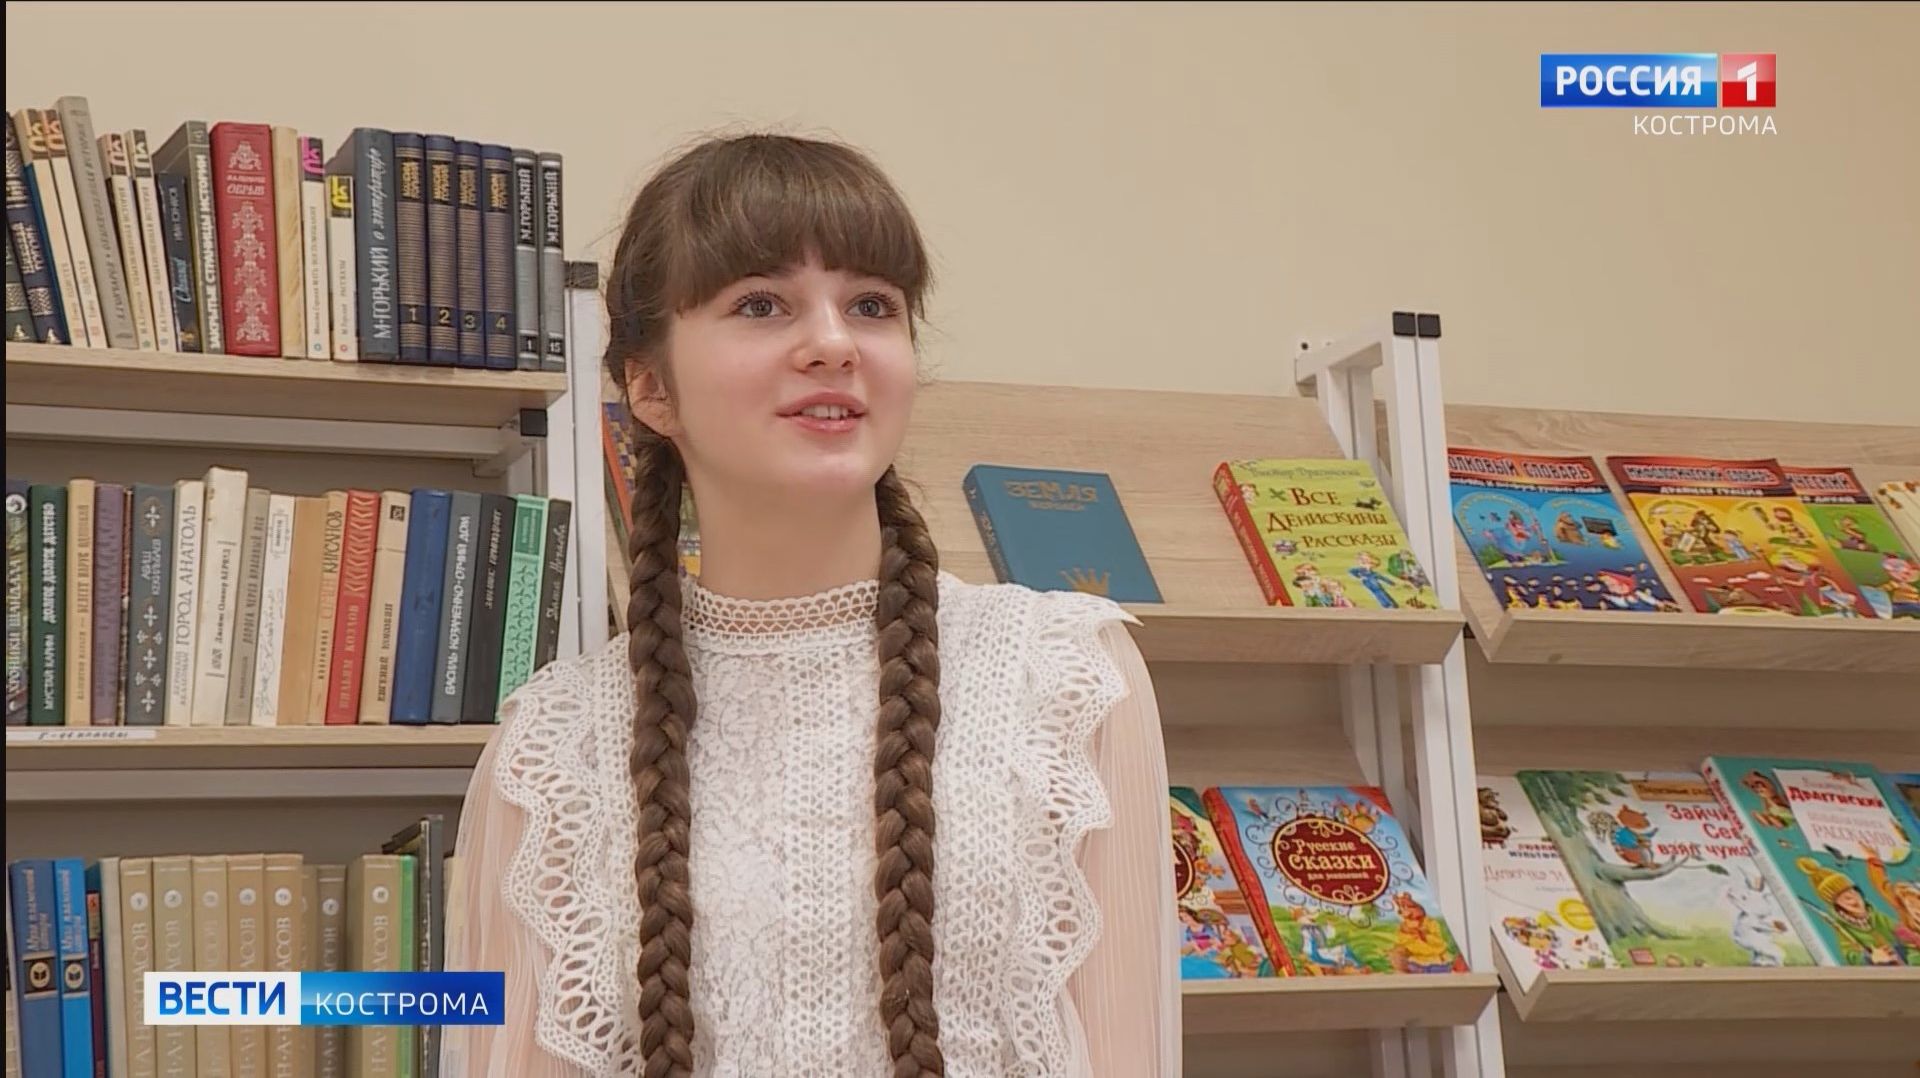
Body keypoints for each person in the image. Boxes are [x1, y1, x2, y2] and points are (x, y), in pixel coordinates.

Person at [443, 134, 1179, 1077]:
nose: (834, 343)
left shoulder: (1069, 676)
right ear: (651, 388)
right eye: (761, 304)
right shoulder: (553, 746)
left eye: (872, 305)